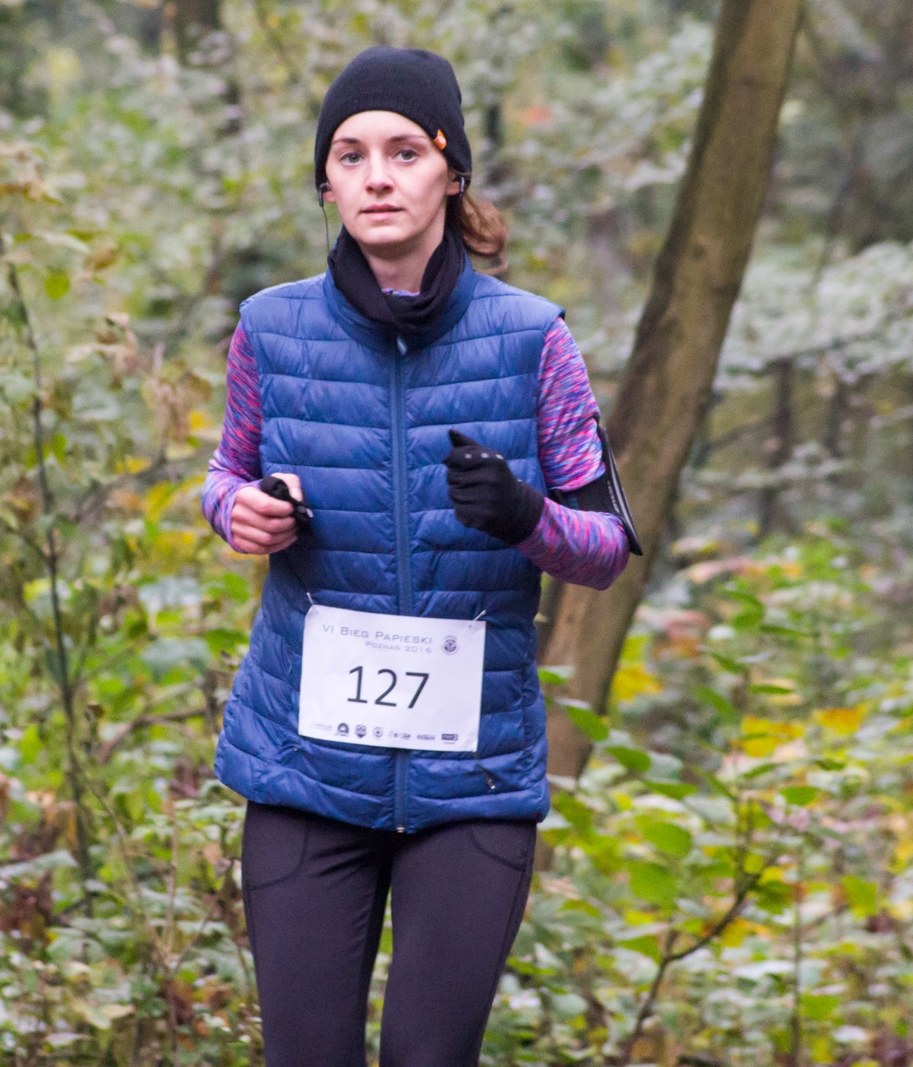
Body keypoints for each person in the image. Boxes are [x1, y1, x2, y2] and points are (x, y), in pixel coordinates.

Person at [201, 45, 640, 1067]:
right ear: (327, 183)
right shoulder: (270, 329)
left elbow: (606, 547)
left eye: (404, 150)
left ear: (452, 172)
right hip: (305, 765)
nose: (377, 175)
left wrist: (526, 513)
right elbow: (225, 474)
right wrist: (246, 514)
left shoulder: (535, 341)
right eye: (349, 156)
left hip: (470, 775)